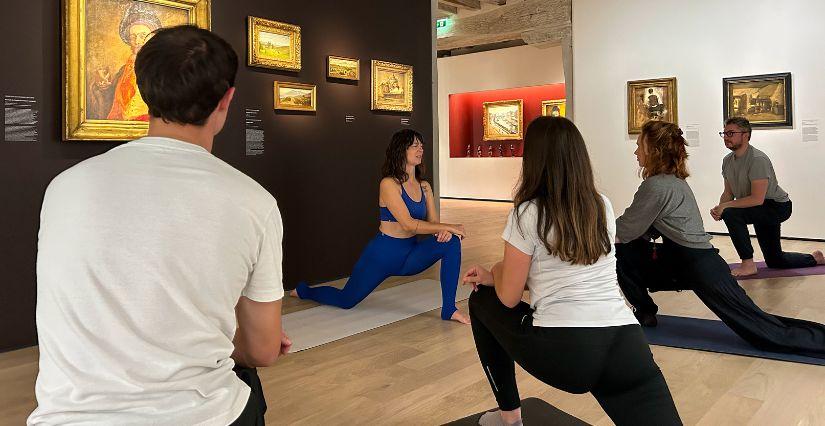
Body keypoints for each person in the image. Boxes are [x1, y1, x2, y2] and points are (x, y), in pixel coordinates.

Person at [29, 26, 288, 425]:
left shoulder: (64, 187)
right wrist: (238, 340)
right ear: (227, 100)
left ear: (143, 89)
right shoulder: (255, 202)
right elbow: (264, 350)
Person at [462, 116, 681, 426]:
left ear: (533, 159)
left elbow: (508, 297)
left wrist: (494, 272)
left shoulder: (528, 212)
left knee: (482, 299)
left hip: (567, 351)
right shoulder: (601, 205)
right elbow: (566, 276)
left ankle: (510, 417)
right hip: (626, 344)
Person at [615, 120, 825, 359]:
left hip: (700, 267)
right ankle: (644, 311)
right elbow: (639, 231)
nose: (635, 152)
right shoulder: (672, 181)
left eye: (639, 145)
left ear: (653, 150)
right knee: (624, 253)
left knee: (765, 333)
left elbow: (623, 231)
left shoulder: (656, 186)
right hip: (683, 261)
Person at [292, 129, 470, 324]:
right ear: (401, 150)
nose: (420, 149)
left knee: (451, 242)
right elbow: (408, 224)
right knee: (346, 300)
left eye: (421, 145)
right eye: (414, 145)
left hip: (410, 255)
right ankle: (304, 290)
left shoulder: (424, 186)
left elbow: (434, 224)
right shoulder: (388, 184)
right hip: (383, 255)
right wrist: (451, 226)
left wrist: (444, 231)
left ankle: (449, 309)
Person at [711, 116, 824, 276]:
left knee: (731, 214)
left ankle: (748, 264)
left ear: (746, 135)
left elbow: (757, 198)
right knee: (774, 260)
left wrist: (725, 208)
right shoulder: (727, 161)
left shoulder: (757, 159)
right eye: (724, 133)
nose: (726, 138)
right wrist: (719, 207)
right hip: (757, 207)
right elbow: (728, 193)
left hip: (776, 206)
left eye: (731, 133)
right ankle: (815, 259)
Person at [89, 2, 161, 121]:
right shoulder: (124, 70)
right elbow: (115, 100)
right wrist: (103, 87)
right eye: (133, 36)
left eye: (143, 35)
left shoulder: (161, 67)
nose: (137, 41)